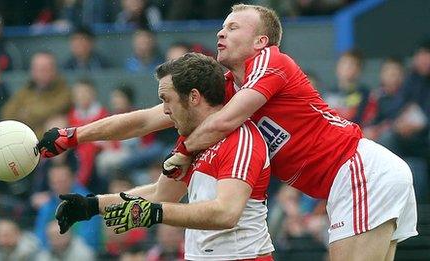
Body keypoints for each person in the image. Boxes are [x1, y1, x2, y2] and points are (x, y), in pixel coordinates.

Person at [38, 4, 418, 260]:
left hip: (358, 170)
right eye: (221, 26)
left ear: (260, 41)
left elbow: (217, 125)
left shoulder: (273, 62)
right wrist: (73, 136)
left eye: (233, 27)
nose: (221, 32)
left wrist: (182, 153)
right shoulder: (227, 88)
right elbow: (143, 120)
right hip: (344, 181)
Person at [51, 53, 275, 260]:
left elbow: (226, 213)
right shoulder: (191, 142)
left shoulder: (241, 139)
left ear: (194, 97)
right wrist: (93, 205)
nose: (165, 110)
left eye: (167, 99)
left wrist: (157, 213)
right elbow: (160, 194)